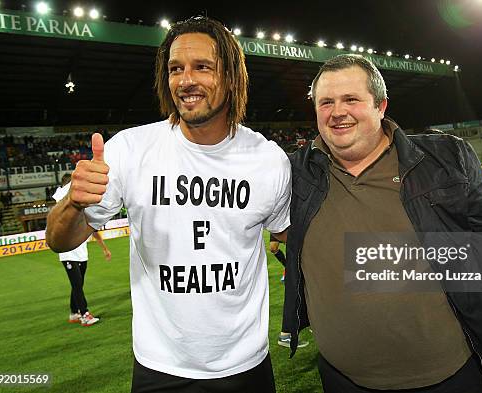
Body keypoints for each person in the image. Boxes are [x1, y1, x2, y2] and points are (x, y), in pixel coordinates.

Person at [283, 54, 482, 393]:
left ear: (380, 106)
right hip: (343, 379)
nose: (337, 111)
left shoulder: (444, 159)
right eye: (325, 102)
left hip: (451, 376)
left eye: (351, 99)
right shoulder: (293, 174)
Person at [46, 16, 290, 393]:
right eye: (176, 68)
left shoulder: (267, 159)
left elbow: (295, 235)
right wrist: (74, 204)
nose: (185, 80)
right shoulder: (129, 150)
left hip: (245, 366)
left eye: (202, 67)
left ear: (231, 77)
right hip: (160, 367)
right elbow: (60, 240)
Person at [53, 173, 112, 326]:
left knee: (78, 284)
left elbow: (92, 228)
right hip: (68, 252)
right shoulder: (63, 207)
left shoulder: (79, 209)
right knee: (77, 285)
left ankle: (74, 312)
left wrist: (104, 248)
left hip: (81, 251)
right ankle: (84, 314)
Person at [268, 232, 309, 349]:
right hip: (297, 252)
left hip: (299, 253)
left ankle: (314, 323)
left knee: (302, 289)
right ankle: (286, 333)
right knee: (296, 291)